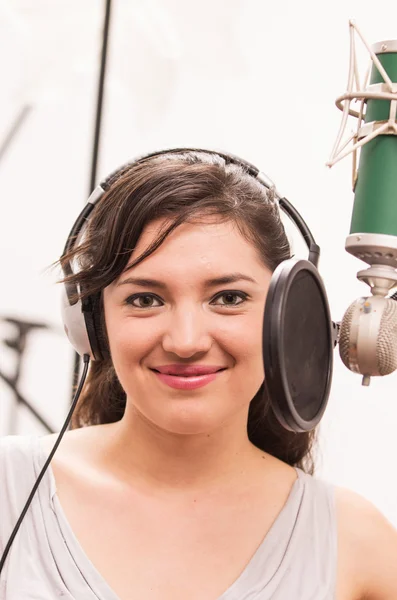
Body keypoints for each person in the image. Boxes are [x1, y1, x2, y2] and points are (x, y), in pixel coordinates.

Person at [1, 149, 396, 599]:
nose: (186, 341)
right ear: (91, 324)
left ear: (289, 318)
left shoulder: (356, 542)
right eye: (145, 299)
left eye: (228, 298)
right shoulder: (8, 491)